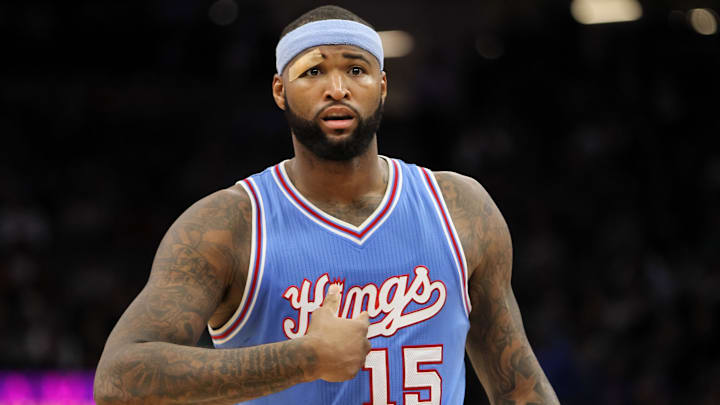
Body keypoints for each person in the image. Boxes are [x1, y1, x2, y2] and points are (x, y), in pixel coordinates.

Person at [94, 5, 560, 405]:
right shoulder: (230, 223)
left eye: (355, 70)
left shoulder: (459, 208)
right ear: (280, 91)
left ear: (382, 85)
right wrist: (304, 358)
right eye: (313, 71)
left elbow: (518, 388)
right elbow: (119, 379)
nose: (337, 88)